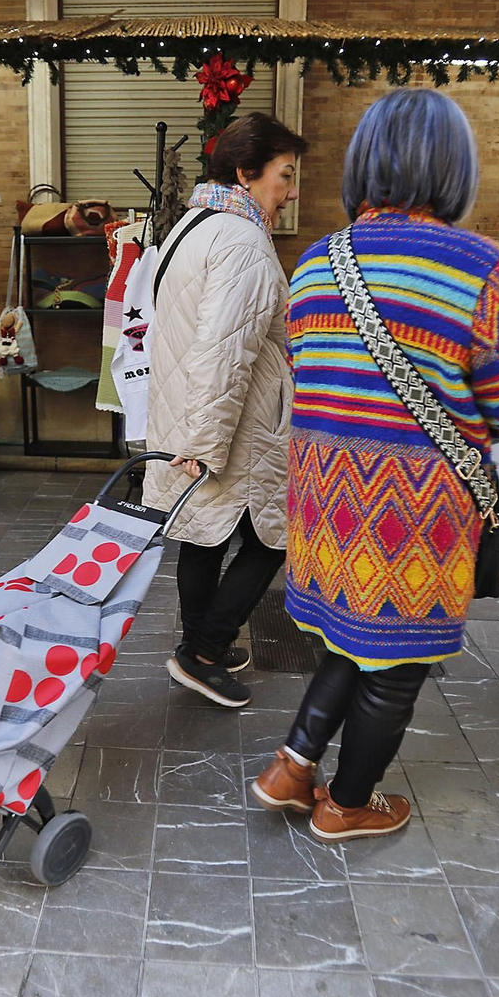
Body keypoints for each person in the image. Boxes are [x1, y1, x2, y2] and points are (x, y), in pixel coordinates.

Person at [251, 89, 499, 840]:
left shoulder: (316, 263)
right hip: (413, 514)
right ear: (456, 170)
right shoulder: (477, 267)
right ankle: (348, 804)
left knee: (347, 636)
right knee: (395, 664)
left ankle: (291, 768)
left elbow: (310, 372)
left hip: (325, 503)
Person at [144, 113, 308, 709]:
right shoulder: (242, 242)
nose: (291, 192)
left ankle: (200, 647)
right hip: (233, 424)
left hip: (196, 415)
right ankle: (205, 653)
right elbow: (223, 352)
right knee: (271, 540)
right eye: (284, 175)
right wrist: (205, 445)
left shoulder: (194, 224)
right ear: (245, 173)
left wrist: (195, 439)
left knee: (206, 533)